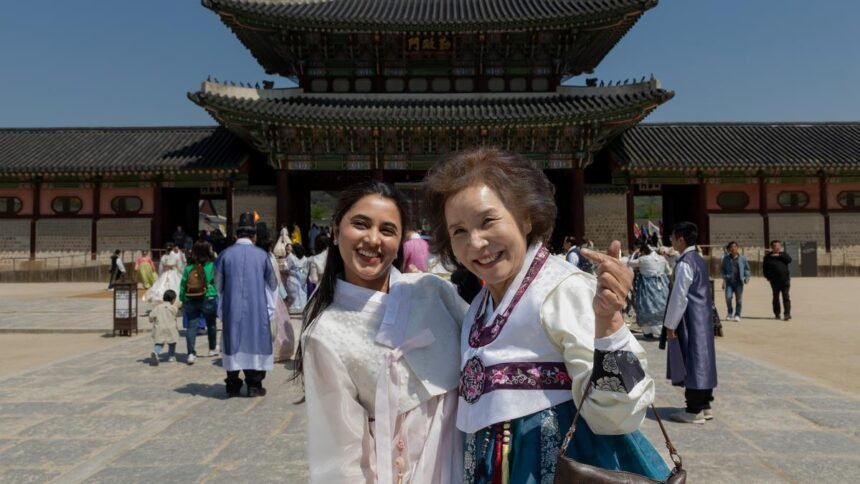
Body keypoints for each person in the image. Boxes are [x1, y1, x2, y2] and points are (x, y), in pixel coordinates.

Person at [424, 148, 668, 482]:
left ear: (525, 218)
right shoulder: (479, 306)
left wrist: (610, 324)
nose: (476, 242)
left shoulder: (562, 289)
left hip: (556, 467)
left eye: (487, 221)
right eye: (459, 231)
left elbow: (619, 414)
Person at [297, 180, 468, 483]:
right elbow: (342, 457)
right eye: (360, 224)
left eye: (387, 230)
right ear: (335, 231)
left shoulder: (434, 291)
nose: (373, 239)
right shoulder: (324, 334)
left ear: (400, 241)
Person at [215, 212, 277, 397]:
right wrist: (270, 309)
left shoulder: (225, 255)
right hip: (257, 309)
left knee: (232, 341)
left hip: (232, 307)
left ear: (236, 235)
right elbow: (272, 285)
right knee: (255, 342)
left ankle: (233, 385)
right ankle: (254, 385)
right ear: (254, 236)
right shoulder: (262, 256)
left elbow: (218, 285)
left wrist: (222, 307)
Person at [662, 221, 718, 424]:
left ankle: (693, 409)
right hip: (703, 317)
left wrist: (670, 324)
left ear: (681, 239)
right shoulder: (699, 260)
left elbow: (679, 296)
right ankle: (705, 404)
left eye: (673, 237)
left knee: (691, 360)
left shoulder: (685, 263)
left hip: (689, 318)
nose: (671, 241)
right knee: (704, 359)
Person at [179, 241, 219, 365]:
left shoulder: (189, 267)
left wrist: (182, 298)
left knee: (192, 326)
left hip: (191, 298)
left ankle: (191, 353)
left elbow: (183, 284)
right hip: (209, 296)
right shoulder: (212, 265)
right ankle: (212, 349)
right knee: (211, 324)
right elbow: (217, 281)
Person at [628, 244, 672, 339]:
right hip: (662, 285)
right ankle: (663, 330)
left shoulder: (643, 259)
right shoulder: (662, 259)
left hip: (647, 286)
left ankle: (648, 332)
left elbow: (630, 263)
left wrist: (634, 253)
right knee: (662, 306)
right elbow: (669, 271)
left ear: (643, 251)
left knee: (646, 307)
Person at [720, 241, 751, 321]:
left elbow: (747, 269)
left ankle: (737, 314)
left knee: (739, 300)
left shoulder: (742, 258)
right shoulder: (726, 258)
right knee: (728, 298)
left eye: (735, 246)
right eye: (731, 247)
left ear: (737, 248)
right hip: (729, 282)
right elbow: (722, 269)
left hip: (739, 282)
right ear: (729, 249)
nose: (733, 248)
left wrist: (747, 277)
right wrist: (724, 276)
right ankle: (730, 313)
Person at [763, 240, 792, 321]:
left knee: (786, 297)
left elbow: (789, 260)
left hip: (785, 280)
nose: (777, 247)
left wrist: (780, 254)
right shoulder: (768, 257)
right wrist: (769, 278)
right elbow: (765, 269)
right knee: (776, 297)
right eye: (775, 245)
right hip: (774, 281)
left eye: (778, 245)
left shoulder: (783, 254)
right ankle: (777, 313)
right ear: (772, 247)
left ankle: (787, 314)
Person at [149, 289, 180, 365]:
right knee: (172, 342)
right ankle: (171, 356)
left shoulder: (157, 307)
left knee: (159, 343)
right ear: (173, 299)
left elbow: (151, 316)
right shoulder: (173, 308)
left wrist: (151, 320)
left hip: (160, 328)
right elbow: (177, 313)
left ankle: (155, 352)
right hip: (171, 328)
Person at [284, 243, 310, 311]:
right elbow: (306, 270)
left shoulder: (290, 257)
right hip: (303, 279)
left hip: (293, 279)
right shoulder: (305, 258)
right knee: (302, 295)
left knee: (293, 297)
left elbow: (286, 268)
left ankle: (294, 308)